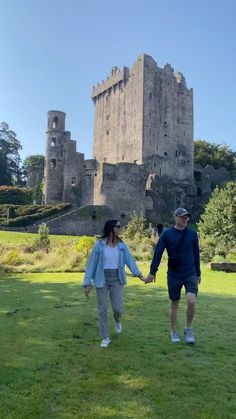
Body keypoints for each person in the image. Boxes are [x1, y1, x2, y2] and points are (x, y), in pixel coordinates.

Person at [82, 219, 145, 348]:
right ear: (111, 228)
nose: (120, 229)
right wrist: (87, 283)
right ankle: (105, 337)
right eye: (118, 226)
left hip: (117, 278)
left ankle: (117, 320)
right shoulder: (99, 245)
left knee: (117, 308)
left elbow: (130, 261)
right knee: (102, 309)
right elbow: (91, 264)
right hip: (101, 278)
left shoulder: (122, 246)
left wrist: (139, 275)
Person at [145, 208, 201, 344]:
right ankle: (174, 331)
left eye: (187, 217)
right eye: (182, 217)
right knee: (174, 303)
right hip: (174, 274)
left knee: (191, 300)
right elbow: (158, 253)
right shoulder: (167, 235)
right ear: (175, 218)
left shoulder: (193, 235)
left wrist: (198, 273)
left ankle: (188, 328)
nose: (185, 219)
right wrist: (152, 272)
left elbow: (196, 255)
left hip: (190, 272)